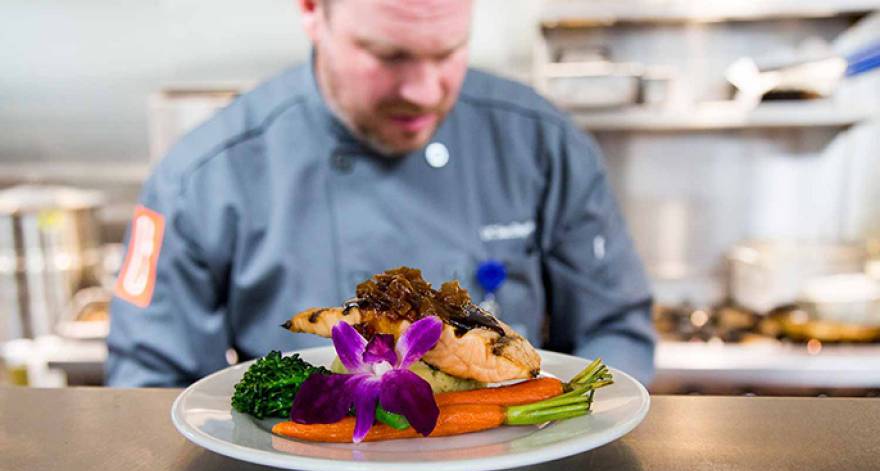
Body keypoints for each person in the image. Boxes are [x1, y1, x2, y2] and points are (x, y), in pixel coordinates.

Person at [106, 0, 656, 387]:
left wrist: (568, 428)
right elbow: (152, 384)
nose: (422, 90)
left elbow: (614, 329)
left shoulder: (543, 143)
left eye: (447, 52)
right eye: (388, 55)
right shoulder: (201, 176)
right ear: (311, 11)